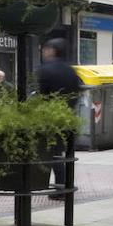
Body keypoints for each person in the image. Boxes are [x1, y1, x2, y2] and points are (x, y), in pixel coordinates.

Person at [37, 38, 81, 197]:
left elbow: (42, 96)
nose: (43, 52)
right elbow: (76, 94)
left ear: (52, 51)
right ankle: (66, 186)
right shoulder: (72, 71)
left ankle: (61, 188)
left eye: (46, 49)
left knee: (53, 154)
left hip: (51, 120)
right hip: (69, 118)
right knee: (67, 155)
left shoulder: (45, 70)